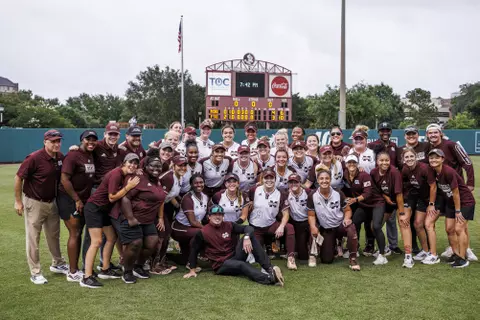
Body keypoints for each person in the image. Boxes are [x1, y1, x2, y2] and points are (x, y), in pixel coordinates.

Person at [14, 129, 69, 284]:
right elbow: (19, 177)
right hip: (34, 202)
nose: (56, 144)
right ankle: (35, 272)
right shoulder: (34, 158)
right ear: (45, 142)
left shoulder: (60, 157)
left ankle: (58, 263)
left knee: (54, 235)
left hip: (53, 202)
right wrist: (18, 201)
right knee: (33, 238)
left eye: (58, 141)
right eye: (53, 141)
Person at [183, 205, 285, 287]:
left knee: (250, 237)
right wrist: (192, 269)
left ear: (223, 216)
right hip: (221, 265)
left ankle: (269, 269)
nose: (217, 216)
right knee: (242, 265)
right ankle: (269, 280)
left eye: (220, 214)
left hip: (234, 256)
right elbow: (194, 250)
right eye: (214, 214)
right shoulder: (202, 232)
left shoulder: (229, 225)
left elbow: (248, 228)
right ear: (209, 217)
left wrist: (246, 238)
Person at [81, 153, 140, 288]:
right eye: (130, 162)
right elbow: (112, 197)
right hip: (94, 209)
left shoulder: (125, 174)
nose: (133, 165)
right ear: (124, 163)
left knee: (112, 238)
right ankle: (87, 277)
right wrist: (128, 187)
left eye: (136, 163)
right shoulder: (117, 174)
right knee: (96, 241)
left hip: (104, 210)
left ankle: (105, 269)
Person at [112, 153, 165, 284]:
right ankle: (127, 271)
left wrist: (160, 217)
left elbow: (160, 201)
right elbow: (125, 198)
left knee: (152, 242)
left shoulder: (157, 181)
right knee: (135, 243)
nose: (156, 169)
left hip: (148, 220)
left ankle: (138, 266)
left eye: (158, 167)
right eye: (152, 166)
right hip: (132, 218)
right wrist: (130, 218)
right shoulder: (138, 178)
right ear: (145, 167)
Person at [426, 123, 477, 261]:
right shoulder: (430, 149)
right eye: (430, 133)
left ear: (440, 133)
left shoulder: (451, 145)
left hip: (457, 189)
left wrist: (470, 183)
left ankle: (466, 250)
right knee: (450, 226)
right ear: (427, 135)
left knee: (460, 223)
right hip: (444, 191)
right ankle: (454, 249)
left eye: (435, 132)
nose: (433, 135)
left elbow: (467, 162)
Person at [57, 130, 98, 282]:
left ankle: (79, 268)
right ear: (82, 140)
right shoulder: (72, 156)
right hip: (68, 198)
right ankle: (72, 272)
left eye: (94, 140)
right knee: (75, 232)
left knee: (80, 231)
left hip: (83, 199)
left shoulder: (91, 154)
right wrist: (76, 199)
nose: (91, 142)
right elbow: (64, 179)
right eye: (88, 139)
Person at [307, 167, 360, 271]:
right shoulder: (312, 195)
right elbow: (311, 215)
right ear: (317, 181)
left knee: (350, 228)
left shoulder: (338, 193)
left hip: (340, 225)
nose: (324, 181)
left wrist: (347, 219)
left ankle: (353, 258)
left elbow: (348, 210)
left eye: (327, 178)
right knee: (327, 260)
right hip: (327, 228)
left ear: (330, 180)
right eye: (321, 179)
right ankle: (336, 245)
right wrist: (313, 226)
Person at [248, 168, 297, 270]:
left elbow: (286, 213)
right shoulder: (254, 190)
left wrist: (281, 226)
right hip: (255, 228)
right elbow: (247, 206)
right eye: (266, 178)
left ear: (275, 179)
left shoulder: (280, 193)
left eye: (272, 178)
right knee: (256, 257)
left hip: (271, 225)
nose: (269, 180)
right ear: (262, 179)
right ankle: (265, 248)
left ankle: (291, 258)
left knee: (289, 227)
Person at [370, 152, 410, 266]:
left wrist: (401, 212)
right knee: (375, 226)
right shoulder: (373, 172)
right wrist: (386, 197)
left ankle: (405, 254)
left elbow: (399, 194)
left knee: (404, 223)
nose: (384, 163)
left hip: (398, 201)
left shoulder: (394, 172)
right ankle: (384, 250)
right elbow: (377, 190)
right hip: (385, 202)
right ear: (377, 162)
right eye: (381, 160)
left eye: (386, 160)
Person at [150, 155, 188, 275]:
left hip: (163, 206)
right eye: (179, 165)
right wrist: (160, 218)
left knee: (166, 233)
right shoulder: (169, 177)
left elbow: (171, 195)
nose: (182, 167)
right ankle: (154, 265)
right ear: (173, 165)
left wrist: (179, 206)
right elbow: (161, 198)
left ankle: (161, 261)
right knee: (162, 233)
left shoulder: (180, 177)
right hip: (154, 207)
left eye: (184, 165)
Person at [396, 126, 430, 253]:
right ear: (405, 136)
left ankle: (427, 248)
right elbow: (399, 170)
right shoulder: (400, 150)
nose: (411, 136)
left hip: (424, 190)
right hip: (410, 191)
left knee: (422, 220)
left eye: (413, 134)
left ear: (418, 134)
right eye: (408, 134)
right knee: (410, 219)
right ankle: (414, 246)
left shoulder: (426, 146)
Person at [342, 154, 377, 258]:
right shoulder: (345, 174)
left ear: (357, 164)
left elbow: (368, 193)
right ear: (346, 164)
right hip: (356, 203)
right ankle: (354, 247)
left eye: (354, 162)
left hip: (368, 203)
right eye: (349, 162)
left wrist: (355, 199)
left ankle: (368, 246)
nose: (351, 164)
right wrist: (348, 198)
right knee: (354, 222)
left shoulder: (364, 175)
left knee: (364, 223)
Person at [401, 148, 430, 262]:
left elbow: (433, 187)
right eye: (406, 157)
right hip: (420, 198)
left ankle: (432, 253)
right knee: (417, 224)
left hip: (432, 199)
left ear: (416, 157)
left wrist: (431, 203)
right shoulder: (405, 169)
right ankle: (425, 250)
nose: (409, 159)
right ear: (403, 159)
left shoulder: (424, 168)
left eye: (411, 156)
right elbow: (406, 184)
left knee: (428, 225)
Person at [172, 174, 209, 263]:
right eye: (196, 183)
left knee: (184, 259)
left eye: (201, 182)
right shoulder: (188, 198)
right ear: (191, 185)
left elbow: (205, 217)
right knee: (201, 233)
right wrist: (208, 229)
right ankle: (196, 258)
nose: (199, 185)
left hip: (191, 228)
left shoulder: (205, 197)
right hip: (179, 227)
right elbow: (192, 222)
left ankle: (187, 257)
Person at [285, 174, 312, 262]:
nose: (293, 184)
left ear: (300, 183)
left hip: (310, 221)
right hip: (297, 223)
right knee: (303, 256)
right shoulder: (286, 195)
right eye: (291, 182)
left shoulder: (308, 192)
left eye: (296, 182)